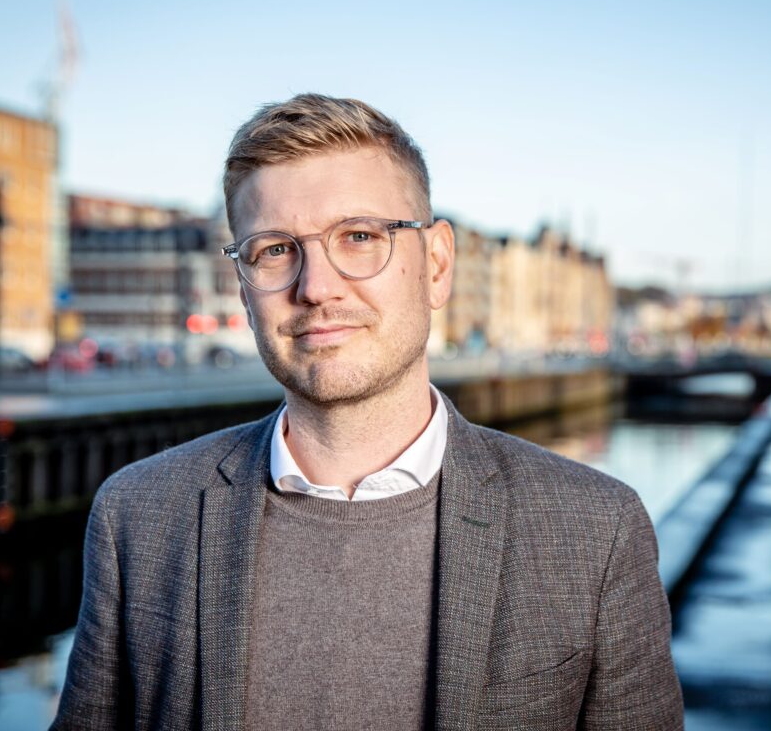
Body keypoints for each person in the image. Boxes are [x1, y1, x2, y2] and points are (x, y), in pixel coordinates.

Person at [52, 94, 683, 730]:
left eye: (358, 237)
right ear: (243, 287)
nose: (316, 286)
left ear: (436, 266)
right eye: (274, 249)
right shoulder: (137, 515)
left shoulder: (596, 530)